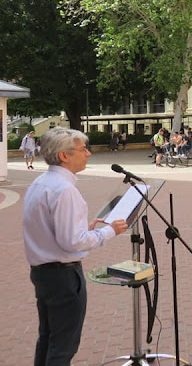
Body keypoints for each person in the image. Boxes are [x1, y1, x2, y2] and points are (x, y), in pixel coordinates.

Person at [22, 127, 128, 365]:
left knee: (49, 338)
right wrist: (108, 231)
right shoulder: (64, 190)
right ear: (64, 156)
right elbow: (72, 242)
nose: (88, 154)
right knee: (63, 346)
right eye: (83, 149)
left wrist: (85, 229)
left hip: (44, 272)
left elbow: (50, 230)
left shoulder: (41, 183)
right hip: (62, 276)